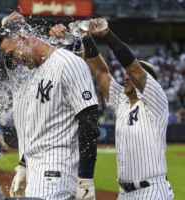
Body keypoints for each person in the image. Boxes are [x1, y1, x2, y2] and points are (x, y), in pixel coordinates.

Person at [49, 19, 175, 199]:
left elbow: (132, 66)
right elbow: (101, 72)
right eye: (125, 74)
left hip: (152, 191)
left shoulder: (156, 101)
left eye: (131, 74)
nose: (127, 76)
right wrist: (86, 38)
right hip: (124, 193)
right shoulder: (122, 101)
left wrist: (107, 35)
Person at [0, 12, 100, 200]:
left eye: (12, 54)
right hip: (36, 171)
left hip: (56, 173)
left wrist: (86, 178)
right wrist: (23, 166)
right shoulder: (29, 73)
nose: (12, 61)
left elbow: (89, 120)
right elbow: (36, 130)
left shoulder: (67, 63)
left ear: (23, 39)